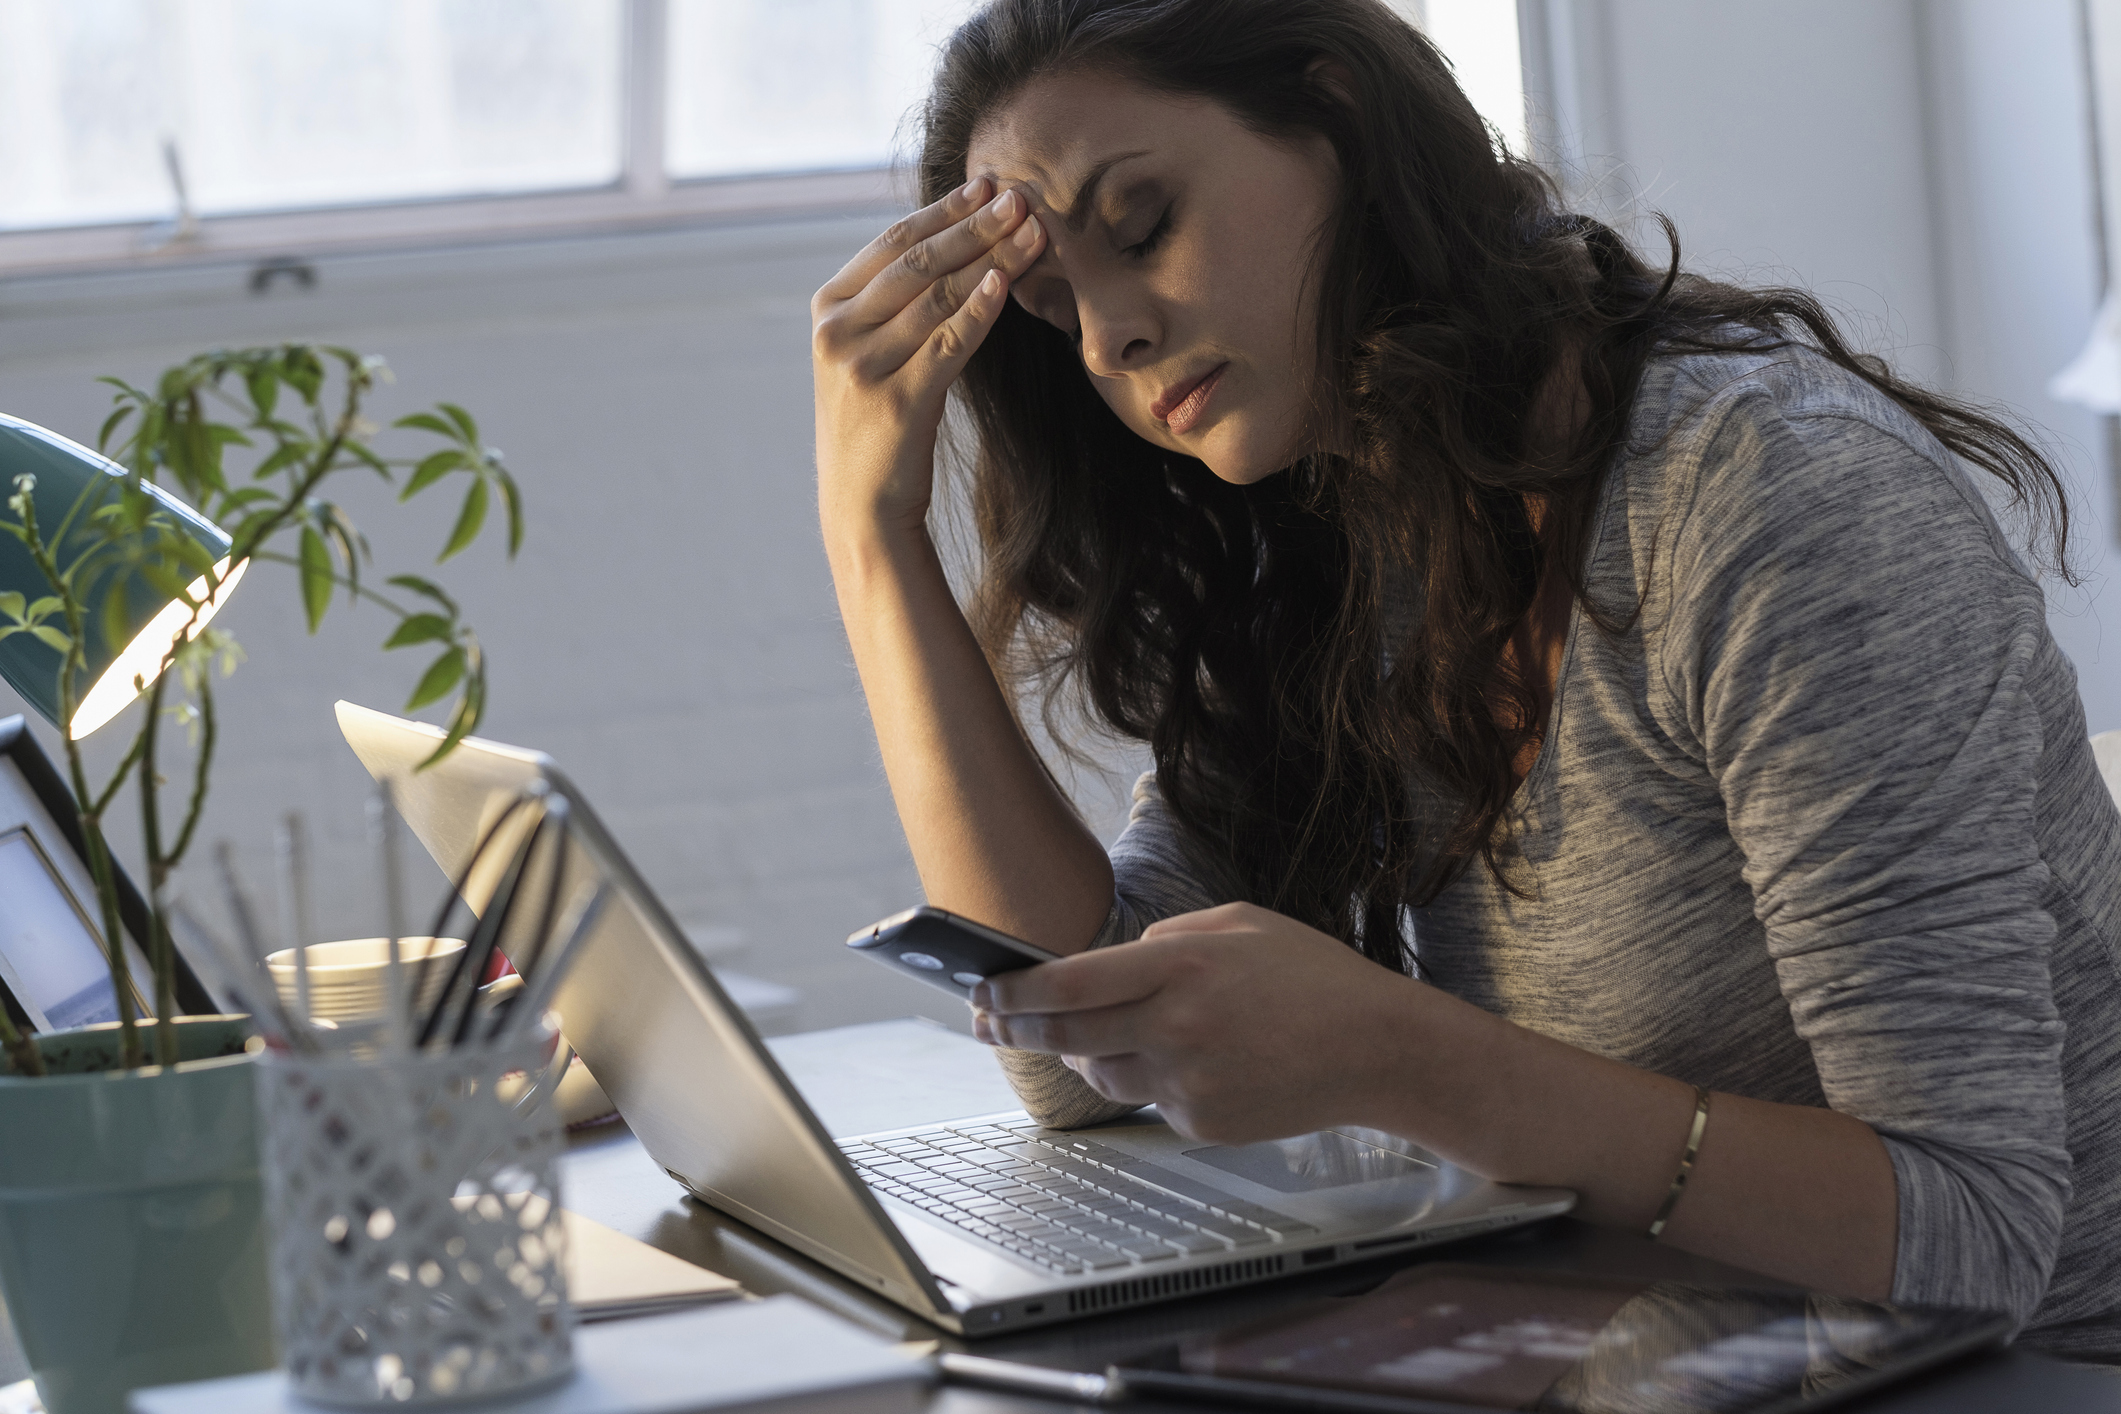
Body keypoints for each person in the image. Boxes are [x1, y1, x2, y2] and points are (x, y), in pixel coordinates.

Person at [809, 0, 2121, 1361]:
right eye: (1052, 307)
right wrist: (872, 536)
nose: (1106, 340)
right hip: (1661, 1355)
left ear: (1336, 116)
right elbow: (1076, 1051)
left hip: (2035, 1366)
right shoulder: (1341, 524)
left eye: (1141, 227)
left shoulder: (1772, 500)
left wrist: (1404, 1058)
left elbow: (1978, 1232)